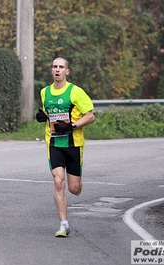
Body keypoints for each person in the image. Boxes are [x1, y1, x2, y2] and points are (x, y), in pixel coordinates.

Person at [35, 57, 95, 237]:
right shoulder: (45, 92)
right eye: (54, 67)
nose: (57, 70)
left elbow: (90, 116)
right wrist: (43, 116)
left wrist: (72, 126)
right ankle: (63, 224)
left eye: (61, 67)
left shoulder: (75, 92)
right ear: (51, 70)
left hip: (73, 144)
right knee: (58, 182)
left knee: (73, 189)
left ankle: (77, 182)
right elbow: (49, 112)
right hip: (54, 143)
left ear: (67, 72)